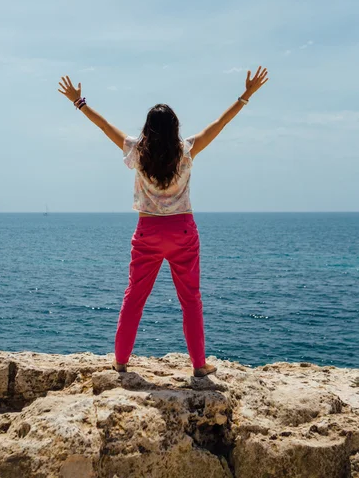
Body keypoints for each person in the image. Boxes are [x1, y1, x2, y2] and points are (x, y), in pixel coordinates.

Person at [58, 66, 269, 377]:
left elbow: (105, 127)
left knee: (135, 296)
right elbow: (220, 124)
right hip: (183, 231)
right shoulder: (188, 149)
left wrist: (79, 102)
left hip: (148, 231)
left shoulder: (137, 151)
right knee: (190, 299)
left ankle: (120, 361)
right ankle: (198, 365)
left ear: (148, 128)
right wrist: (246, 96)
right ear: (175, 128)